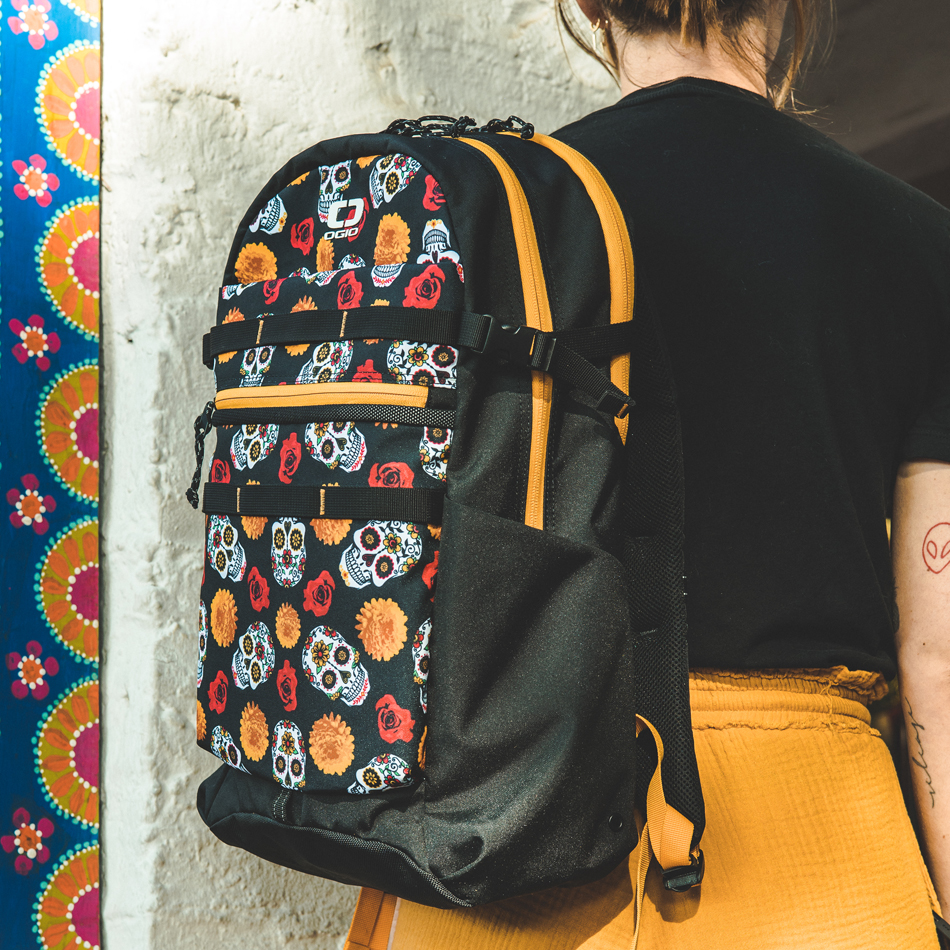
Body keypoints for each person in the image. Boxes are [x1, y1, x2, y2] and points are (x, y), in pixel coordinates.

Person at [379, 1, 950, 946]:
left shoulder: (482, 216)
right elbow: (937, 654)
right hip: (812, 845)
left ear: (591, 6)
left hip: (506, 834)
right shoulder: (922, 243)